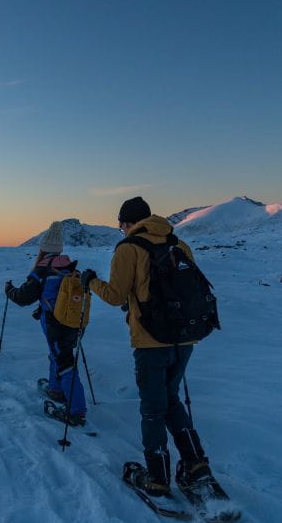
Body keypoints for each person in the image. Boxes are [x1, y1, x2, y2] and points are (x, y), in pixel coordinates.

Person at [80, 196, 219, 497]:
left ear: (128, 223)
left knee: (153, 408)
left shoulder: (128, 248)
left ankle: (157, 476)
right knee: (171, 399)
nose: (122, 229)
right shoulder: (178, 245)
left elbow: (116, 295)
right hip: (185, 337)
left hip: (151, 340)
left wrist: (90, 281)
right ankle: (196, 464)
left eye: (121, 225)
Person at [5, 221, 87, 425]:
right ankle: (56, 389)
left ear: (43, 248)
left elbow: (23, 297)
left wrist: (9, 290)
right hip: (74, 322)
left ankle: (77, 411)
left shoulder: (42, 271)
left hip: (55, 324)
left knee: (64, 361)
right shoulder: (69, 268)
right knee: (59, 355)